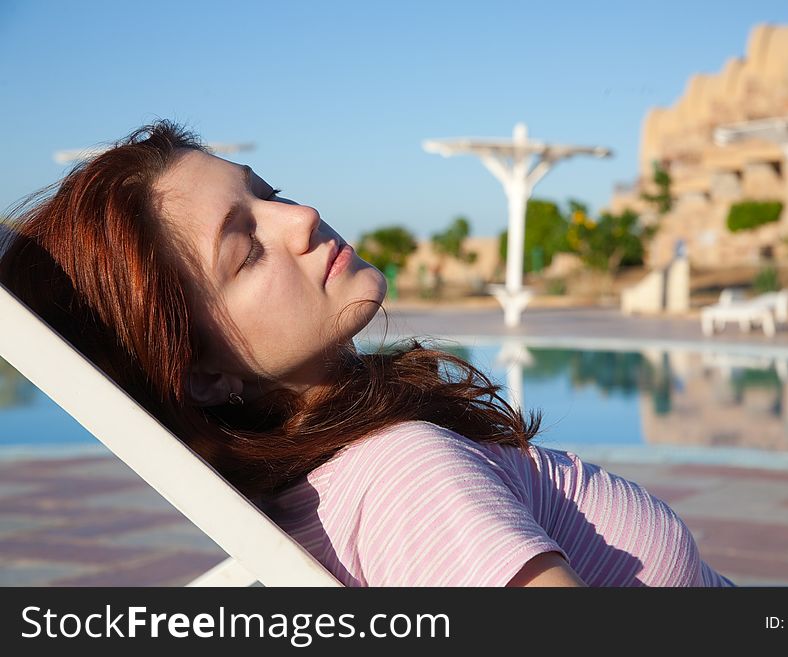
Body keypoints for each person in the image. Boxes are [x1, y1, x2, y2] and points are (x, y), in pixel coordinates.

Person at [0, 121, 735, 587]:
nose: (301, 217)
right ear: (203, 372)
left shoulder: (340, 477)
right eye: (246, 248)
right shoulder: (403, 476)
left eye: (270, 194)